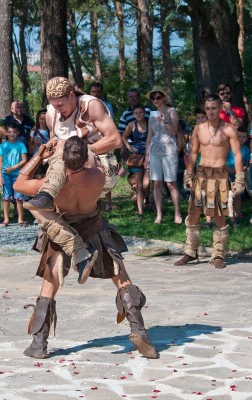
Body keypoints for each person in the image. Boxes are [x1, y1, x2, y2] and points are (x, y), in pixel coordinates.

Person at [14, 136, 157, 360]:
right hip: (94, 226)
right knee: (122, 278)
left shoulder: (50, 185)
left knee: (50, 283)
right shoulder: (97, 175)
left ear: (62, 159)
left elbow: (18, 184)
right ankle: (140, 332)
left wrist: (39, 156)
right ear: (85, 159)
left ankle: (38, 344)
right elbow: (106, 168)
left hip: (63, 230)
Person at [22, 76, 122, 281]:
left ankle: (48, 194)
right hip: (67, 171)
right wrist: (46, 152)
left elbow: (115, 139)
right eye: (53, 105)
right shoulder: (51, 113)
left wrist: (80, 151)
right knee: (34, 206)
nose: (58, 110)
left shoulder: (91, 105)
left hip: (99, 167)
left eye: (61, 104)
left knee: (60, 156)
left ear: (71, 95)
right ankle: (76, 248)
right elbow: (55, 139)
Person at [175, 94, 244, 269]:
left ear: (220, 108)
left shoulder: (229, 129)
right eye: (208, 108)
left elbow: (237, 155)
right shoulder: (198, 129)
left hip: (220, 175)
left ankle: (218, 255)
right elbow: (193, 153)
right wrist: (188, 174)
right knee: (193, 213)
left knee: (219, 216)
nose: (211, 111)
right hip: (202, 175)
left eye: (214, 108)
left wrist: (239, 178)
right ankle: (190, 251)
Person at [144, 86, 183, 225]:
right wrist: (146, 155)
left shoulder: (172, 111)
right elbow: (149, 136)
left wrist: (165, 121)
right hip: (155, 151)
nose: (155, 100)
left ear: (164, 98)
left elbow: (174, 132)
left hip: (169, 151)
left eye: (158, 97)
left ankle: (177, 213)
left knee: (171, 183)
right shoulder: (151, 115)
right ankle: (159, 214)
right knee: (157, 183)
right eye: (153, 98)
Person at [122, 104, 150, 220]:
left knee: (146, 184)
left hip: (149, 155)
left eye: (141, 112)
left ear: (144, 113)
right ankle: (140, 212)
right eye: (136, 113)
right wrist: (128, 146)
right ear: (133, 114)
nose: (139, 115)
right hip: (136, 156)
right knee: (138, 186)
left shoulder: (150, 123)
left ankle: (147, 199)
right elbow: (123, 137)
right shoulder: (132, 125)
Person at [0, 122, 28, 227]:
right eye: (9, 132)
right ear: (6, 133)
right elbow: (0, 162)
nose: (12, 134)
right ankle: (6, 219)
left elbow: (24, 160)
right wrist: (0, 177)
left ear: (18, 133)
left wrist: (13, 168)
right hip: (5, 174)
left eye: (14, 132)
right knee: (6, 197)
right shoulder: (3, 145)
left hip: (18, 175)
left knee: (19, 197)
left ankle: (20, 219)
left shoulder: (21, 145)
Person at [226, 127, 250, 227]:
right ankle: (228, 213)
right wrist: (227, 168)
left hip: (239, 173)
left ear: (247, 138)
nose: (241, 139)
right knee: (228, 194)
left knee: (238, 194)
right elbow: (223, 159)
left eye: (243, 137)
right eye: (239, 136)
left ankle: (238, 213)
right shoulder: (229, 147)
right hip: (228, 171)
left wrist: (243, 168)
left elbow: (247, 164)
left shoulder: (246, 150)